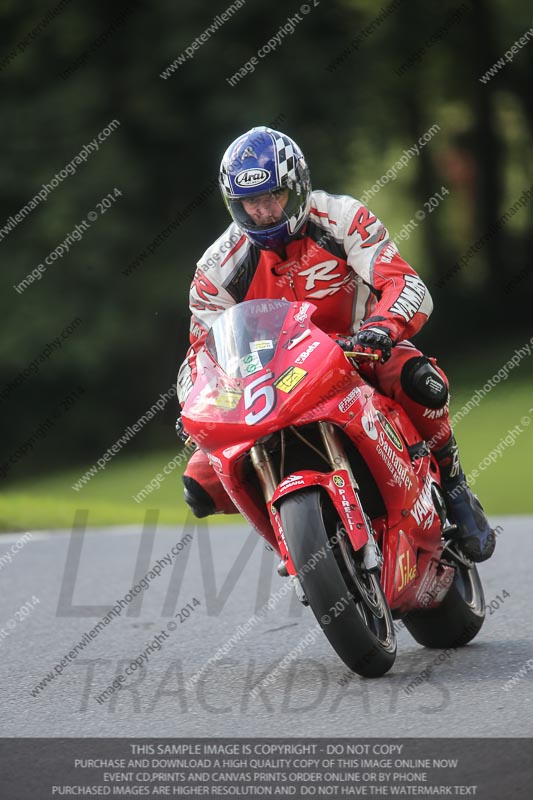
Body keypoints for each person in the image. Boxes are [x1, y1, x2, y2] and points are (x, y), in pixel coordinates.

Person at [176, 126, 495, 563]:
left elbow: (405, 283)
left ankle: (455, 485)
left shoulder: (342, 218)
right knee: (199, 484)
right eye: (251, 202)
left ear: (298, 187)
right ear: (234, 204)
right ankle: (295, 545)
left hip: (358, 353)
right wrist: (199, 404)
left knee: (419, 379)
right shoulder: (216, 268)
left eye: (274, 196)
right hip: (269, 384)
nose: (264, 212)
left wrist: (382, 327)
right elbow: (202, 352)